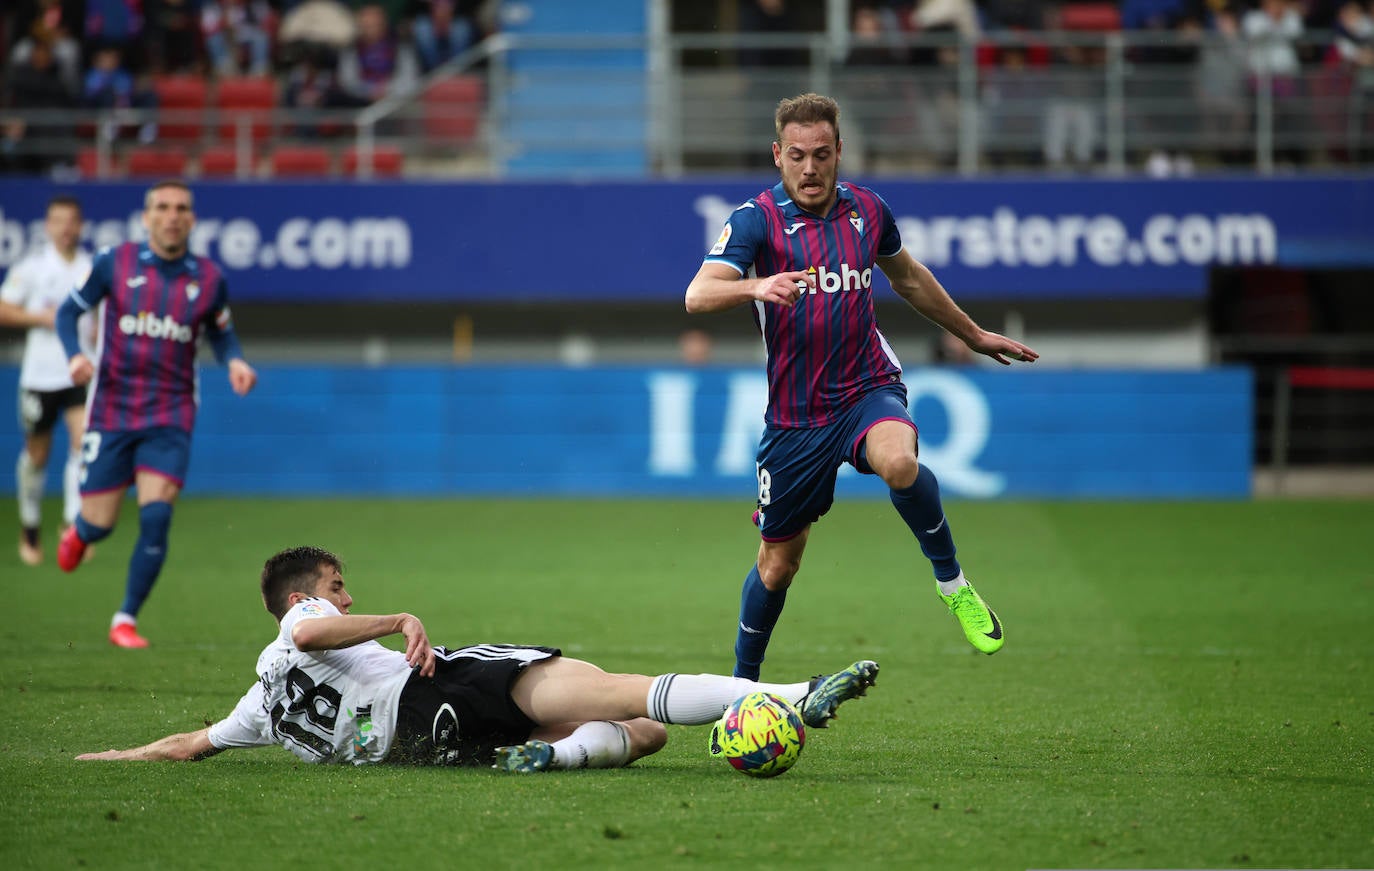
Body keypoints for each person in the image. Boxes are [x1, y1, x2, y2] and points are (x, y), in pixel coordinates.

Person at [684, 93, 1039, 681]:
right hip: (796, 417)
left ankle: (952, 583)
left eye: (822, 154)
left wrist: (972, 334)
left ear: (839, 152)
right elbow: (697, 294)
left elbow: (911, 279)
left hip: (867, 387)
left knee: (899, 462)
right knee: (777, 566)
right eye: (797, 155)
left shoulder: (869, 211)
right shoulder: (754, 221)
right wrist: (756, 286)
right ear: (777, 155)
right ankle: (740, 690)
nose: (810, 168)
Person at [75, 545, 880, 771]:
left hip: (436, 746)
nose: (344, 597)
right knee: (623, 688)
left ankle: (551, 758)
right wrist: (400, 618)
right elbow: (316, 632)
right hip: (440, 684)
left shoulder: (258, 707)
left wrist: (113, 753)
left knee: (645, 732)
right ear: (300, 596)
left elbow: (191, 744)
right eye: (336, 584)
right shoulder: (300, 622)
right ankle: (794, 691)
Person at [53, 180, 258, 649]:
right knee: (101, 522)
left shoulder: (208, 278)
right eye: (162, 207)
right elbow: (67, 314)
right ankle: (82, 531)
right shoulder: (114, 263)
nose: (172, 215)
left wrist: (236, 361)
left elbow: (221, 332)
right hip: (112, 409)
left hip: (171, 412)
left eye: (181, 208)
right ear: (146, 217)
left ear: (191, 218)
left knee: (156, 515)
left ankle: (125, 618)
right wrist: (73, 357)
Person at [0, 194, 93, 566]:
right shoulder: (33, 268)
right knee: (38, 454)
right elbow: (4, 308)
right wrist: (41, 318)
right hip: (40, 376)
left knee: (82, 442)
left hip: (80, 370)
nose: (65, 228)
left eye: (71, 220)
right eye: (58, 220)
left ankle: (72, 527)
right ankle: (30, 526)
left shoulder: (90, 267)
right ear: (48, 226)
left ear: (80, 225)